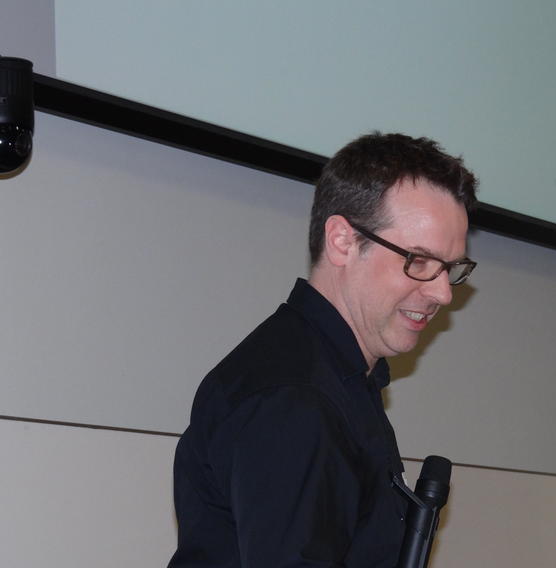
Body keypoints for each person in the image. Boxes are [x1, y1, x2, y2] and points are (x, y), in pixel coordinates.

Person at [168, 132, 478, 567]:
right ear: (342, 241)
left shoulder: (338, 379)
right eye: (419, 261)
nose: (443, 293)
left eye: (450, 268)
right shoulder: (295, 399)